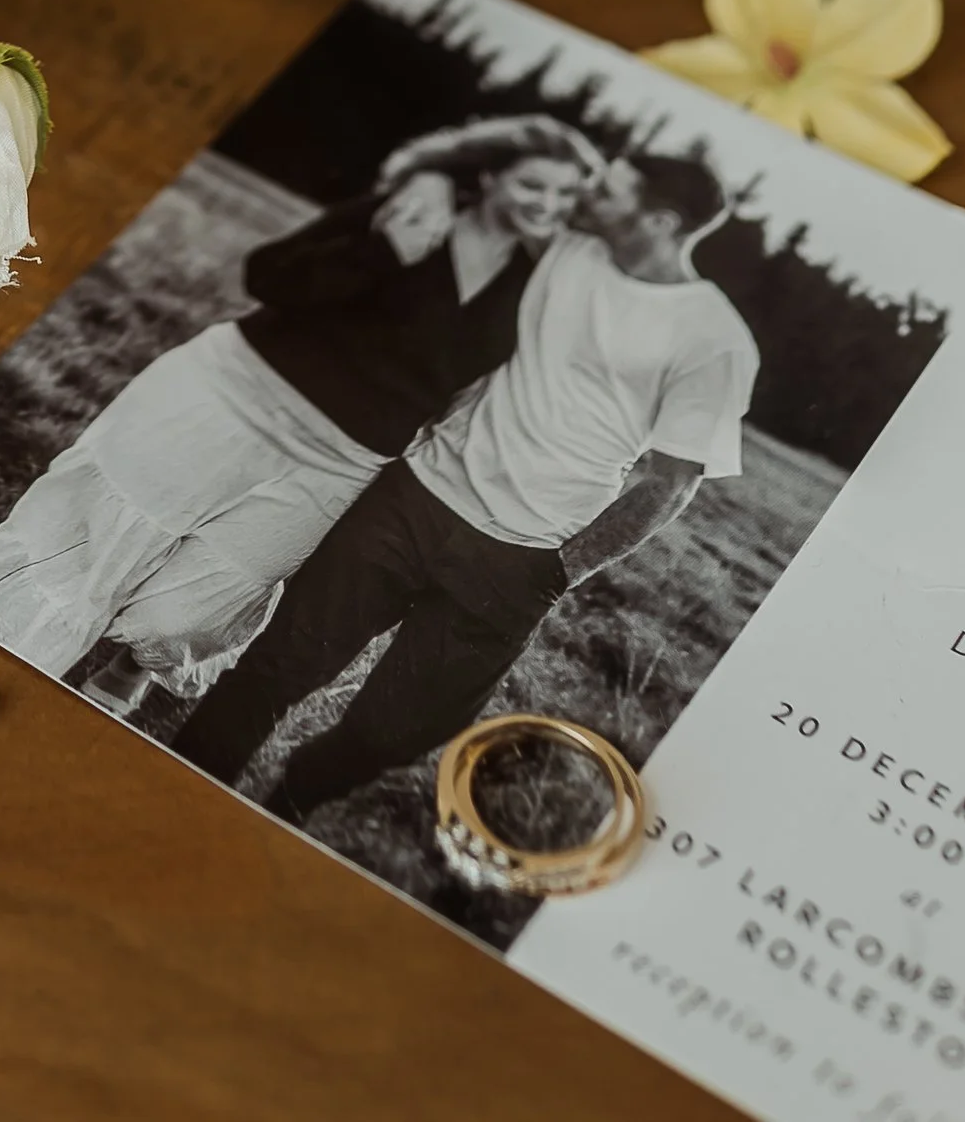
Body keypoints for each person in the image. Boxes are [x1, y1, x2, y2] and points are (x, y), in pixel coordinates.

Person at [171, 147, 757, 816]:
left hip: (521, 556)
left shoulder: (715, 339)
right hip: (416, 496)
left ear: (660, 222)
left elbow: (672, 485)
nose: (587, 194)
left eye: (610, 191)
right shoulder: (565, 246)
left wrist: (556, 572)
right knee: (277, 667)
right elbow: (478, 186)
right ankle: (176, 789)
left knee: (392, 733)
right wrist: (427, 174)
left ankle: (286, 810)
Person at [0, 120, 602, 690]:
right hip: (233, 391)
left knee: (191, 611)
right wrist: (384, 250)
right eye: (534, 184)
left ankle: (128, 672)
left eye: (566, 193)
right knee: (92, 547)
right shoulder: (410, 209)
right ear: (488, 176)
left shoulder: (536, 287)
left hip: (343, 457)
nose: (549, 202)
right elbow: (271, 275)